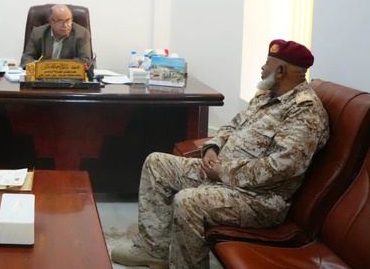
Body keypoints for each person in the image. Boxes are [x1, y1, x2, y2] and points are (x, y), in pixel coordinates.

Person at [110, 39, 329, 269]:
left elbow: (283, 167)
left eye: (267, 63)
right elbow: (232, 126)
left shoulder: (304, 111)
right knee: (156, 163)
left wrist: (223, 171)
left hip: (259, 199)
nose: (262, 68)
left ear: (281, 71)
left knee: (188, 201)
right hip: (222, 176)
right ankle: (153, 250)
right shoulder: (265, 95)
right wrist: (212, 149)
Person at [20, 4, 93, 67]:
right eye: (60, 21)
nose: (65, 25)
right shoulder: (38, 33)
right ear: (50, 21)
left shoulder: (82, 34)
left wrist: (55, 68)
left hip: (70, 77)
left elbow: (85, 60)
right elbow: (27, 57)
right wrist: (34, 64)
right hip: (43, 76)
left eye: (68, 20)